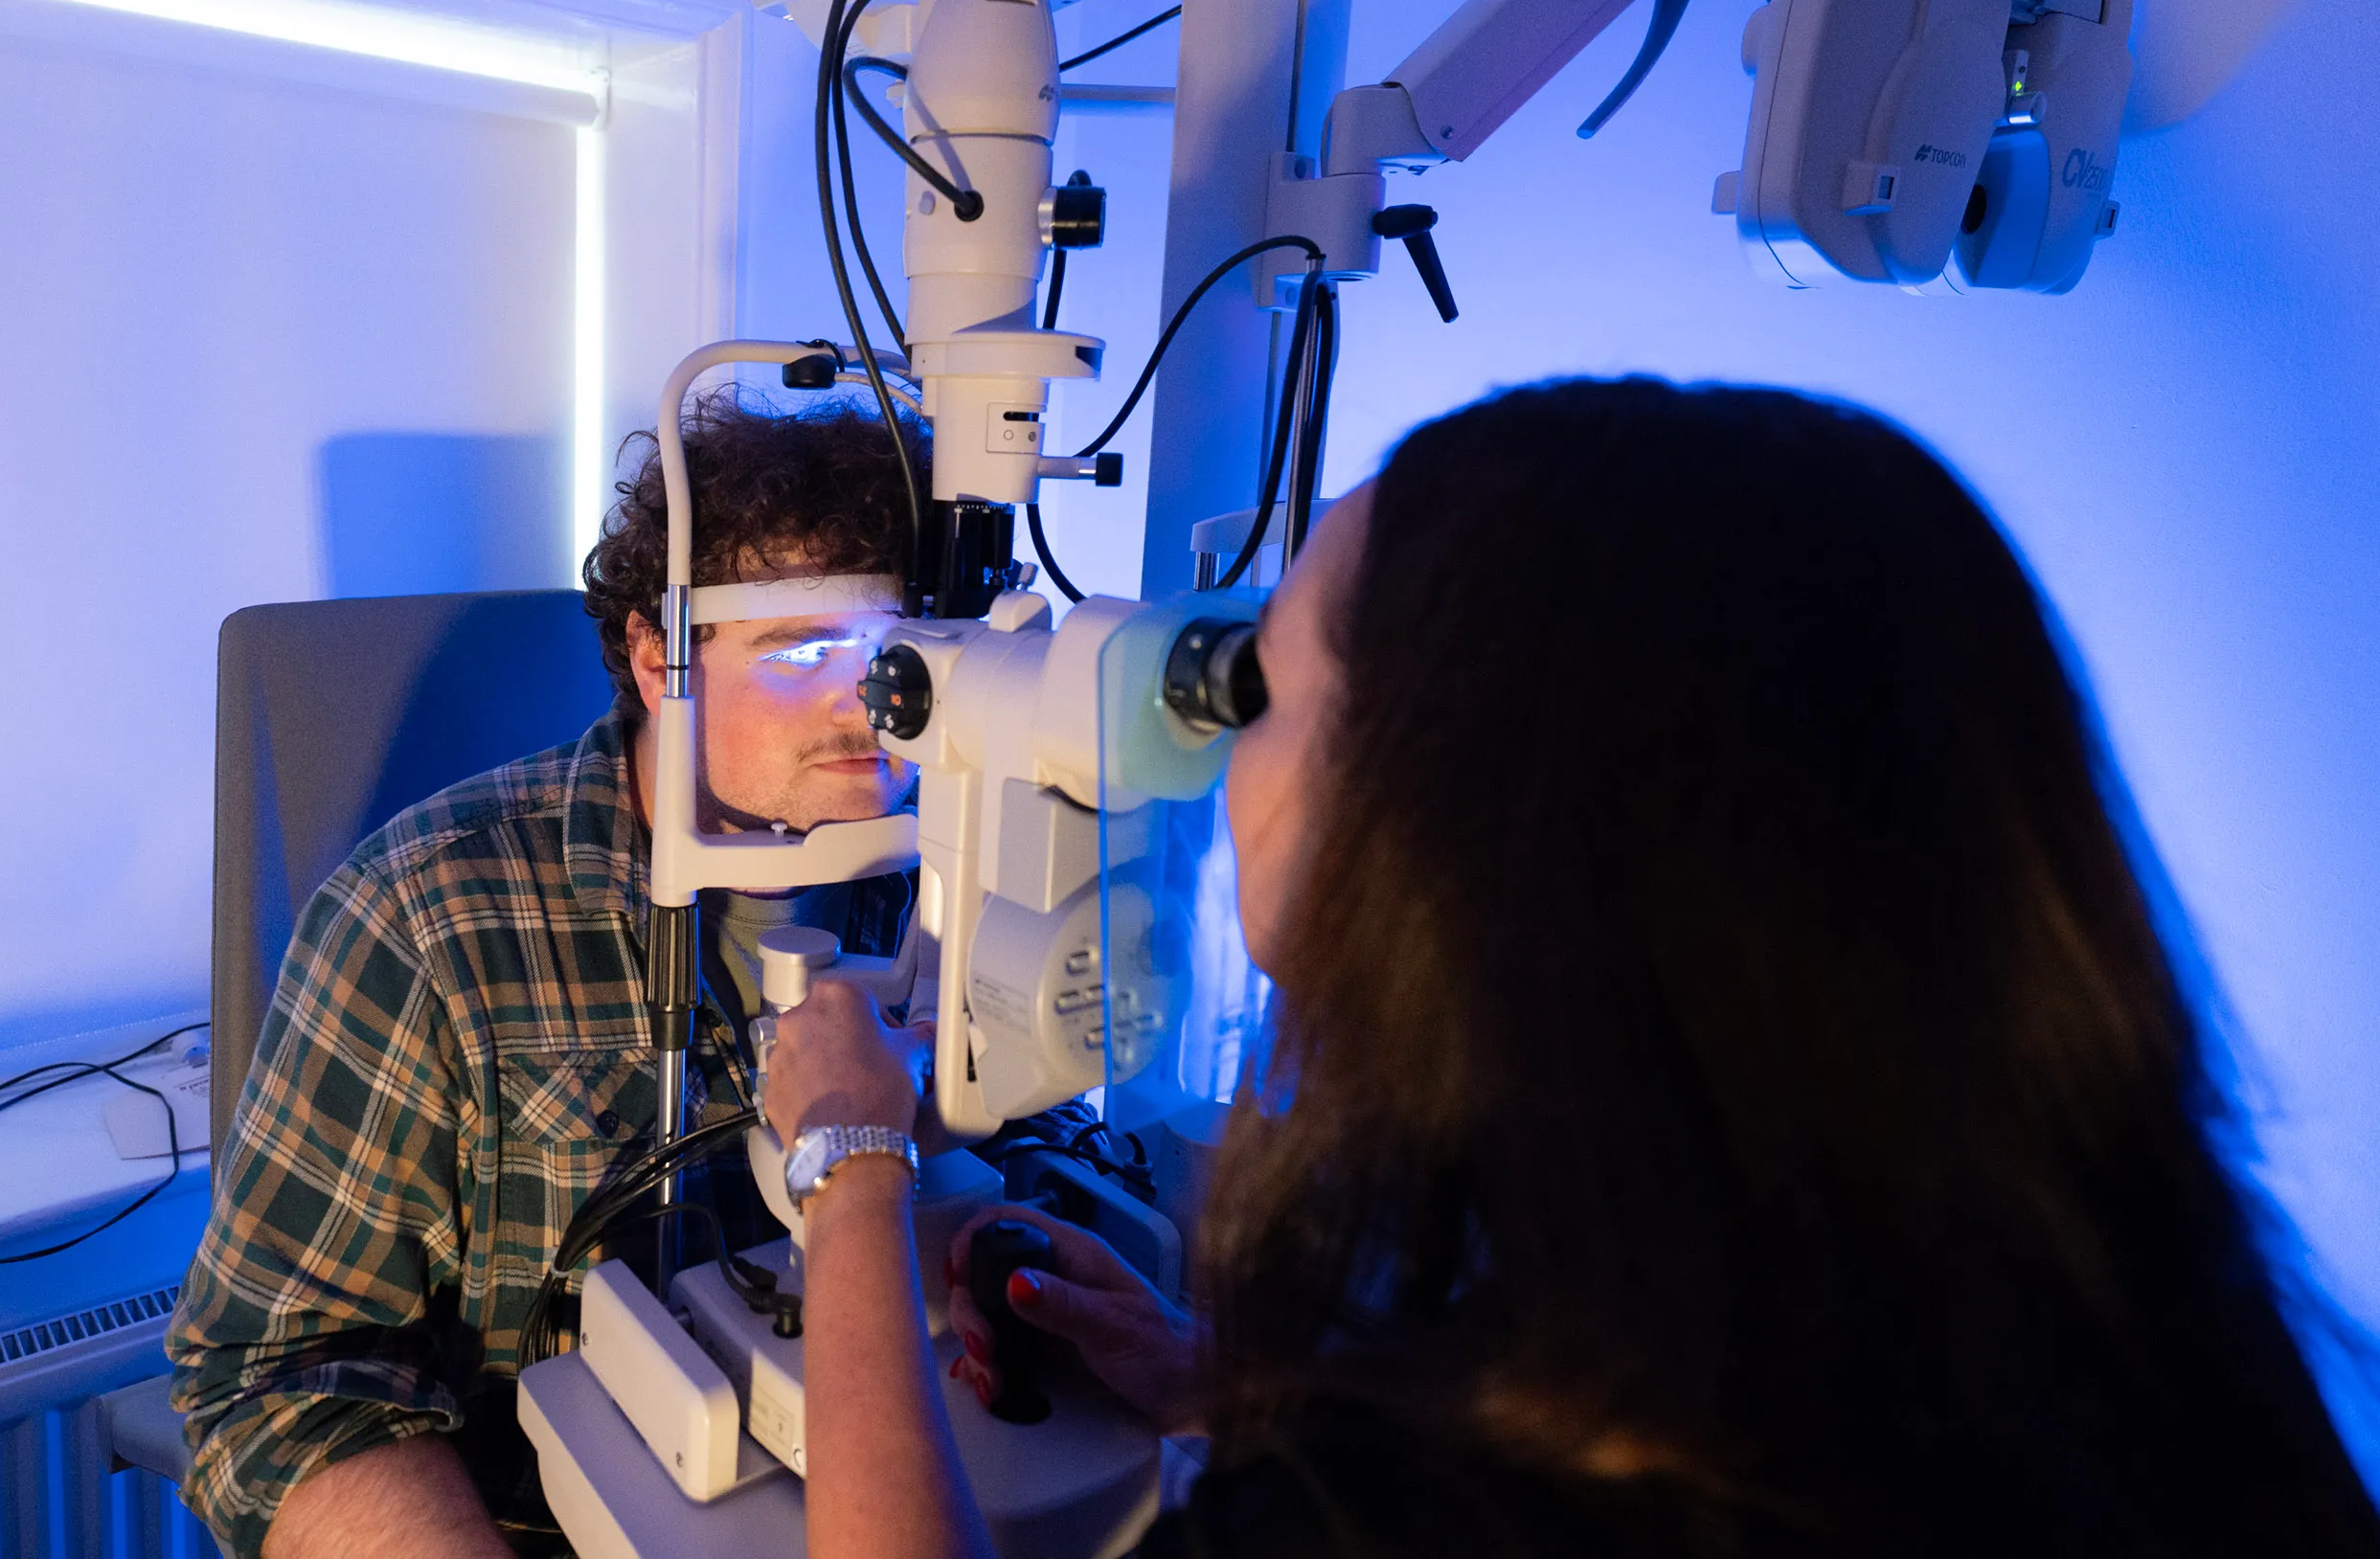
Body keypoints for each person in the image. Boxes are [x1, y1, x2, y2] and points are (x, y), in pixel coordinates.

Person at [765, 376, 2380, 1558]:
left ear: (1455, 822)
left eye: (1262, 685)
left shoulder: (1405, 1526)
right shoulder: (2198, 1367)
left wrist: (852, 1169)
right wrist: (1238, 1389)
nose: (1224, 754)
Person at [170, 386, 925, 1559]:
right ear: (656, 655)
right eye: (806, 649)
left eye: (896, 652)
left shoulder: (951, 881)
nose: (866, 704)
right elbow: (269, 1396)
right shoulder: (428, 921)